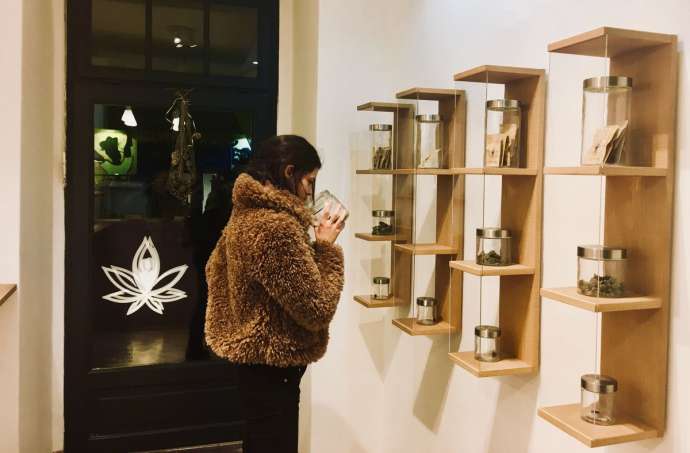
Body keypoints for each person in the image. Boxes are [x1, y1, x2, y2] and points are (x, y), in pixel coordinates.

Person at [204, 135, 346, 452]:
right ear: (288, 172)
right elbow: (317, 309)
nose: (310, 192)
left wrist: (243, 316)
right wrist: (325, 249)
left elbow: (214, 270)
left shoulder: (245, 214)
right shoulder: (275, 227)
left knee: (259, 439)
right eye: (309, 181)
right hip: (273, 364)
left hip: (254, 361)